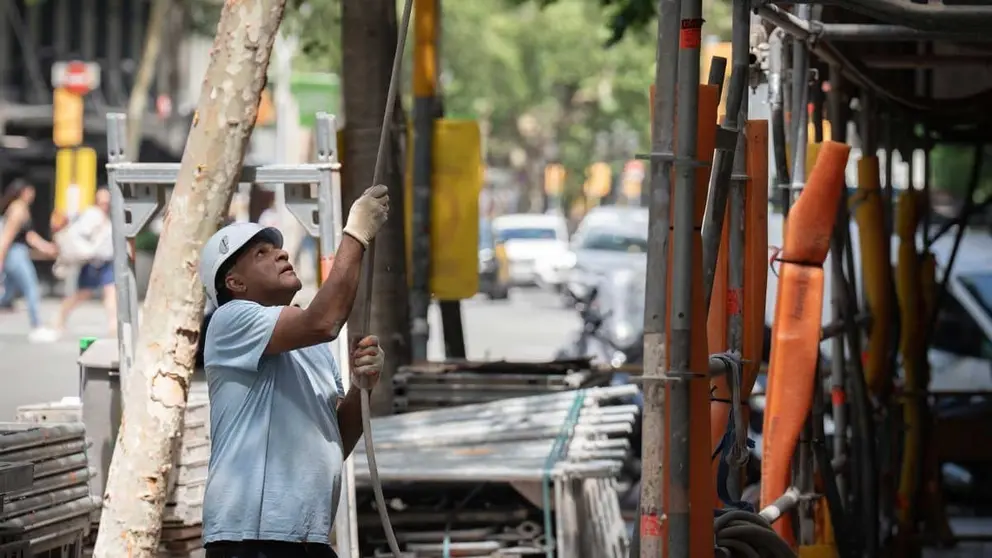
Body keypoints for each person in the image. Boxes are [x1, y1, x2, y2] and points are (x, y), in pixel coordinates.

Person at [197, 184, 389, 558]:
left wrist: (362, 386)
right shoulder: (230, 320)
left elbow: (336, 440)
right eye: (261, 253)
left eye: (277, 248)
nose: (282, 253)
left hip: (305, 539)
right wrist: (355, 236)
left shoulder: (312, 344)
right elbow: (326, 320)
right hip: (250, 540)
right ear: (235, 283)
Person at [0, 179, 59, 342]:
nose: (32, 195)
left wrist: (46, 247)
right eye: (30, 192)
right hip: (15, 254)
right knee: (31, 288)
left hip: (17, 253)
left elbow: (29, 236)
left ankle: (37, 326)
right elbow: (7, 236)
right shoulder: (18, 209)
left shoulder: (21, 208)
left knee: (7, 295)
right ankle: (37, 326)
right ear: (23, 192)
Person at [51, 188, 116, 337]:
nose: (105, 204)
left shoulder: (108, 216)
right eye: (103, 201)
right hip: (92, 261)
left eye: (107, 201)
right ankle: (60, 316)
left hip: (106, 260)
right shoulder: (92, 215)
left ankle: (113, 325)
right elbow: (81, 235)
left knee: (111, 292)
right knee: (83, 293)